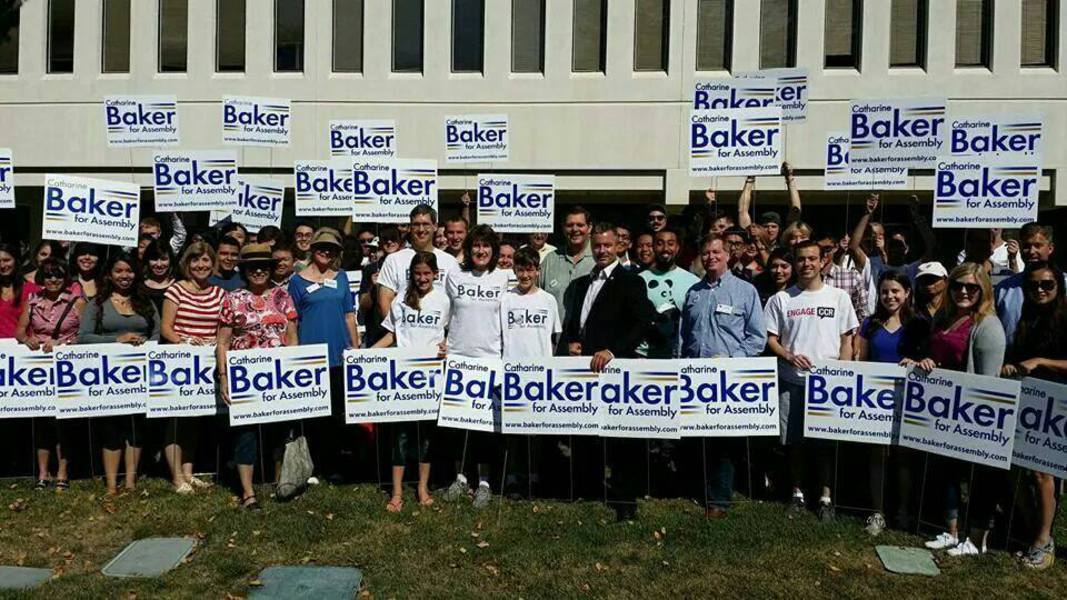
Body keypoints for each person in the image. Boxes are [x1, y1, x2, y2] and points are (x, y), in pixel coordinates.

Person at [904, 263, 1006, 557]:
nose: (963, 291)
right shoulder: (944, 317)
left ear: (983, 290)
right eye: (958, 286)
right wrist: (925, 363)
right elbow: (936, 355)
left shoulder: (987, 326)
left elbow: (988, 381)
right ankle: (951, 532)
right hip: (943, 409)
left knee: (977, 476)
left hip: (973, 413)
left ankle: (976, 538)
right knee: (945, 471)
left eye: (971, 287)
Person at [564, 223, 654, 520]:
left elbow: (642, 322)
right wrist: (574, 342)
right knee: (587, 433)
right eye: (597, 246)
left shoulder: (631, 281)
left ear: (618, 246)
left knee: (621, 440)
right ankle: (589, 488)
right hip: (586, 369)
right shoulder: (582, 283)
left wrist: (613, 351)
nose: (601, 251)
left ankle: (625, 501)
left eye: (607, 245)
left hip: (617, 370)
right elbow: (578, 323)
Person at [764, 240, 859, 521]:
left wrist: (841, 373)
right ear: (795, 263)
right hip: (792, 381)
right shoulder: (781, 299)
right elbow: (771, 338)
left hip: (826, 386)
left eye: (812, 259)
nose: (806, 264)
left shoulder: (838, 297)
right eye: (801, 259)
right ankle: (797, 493)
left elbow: (847, 340)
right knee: (794, 443)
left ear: (822, 261)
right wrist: (788, 355)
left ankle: (825, 497)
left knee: (825, 445)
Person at [679, 234, 766, 518]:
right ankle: (699, 487)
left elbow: (757, 338)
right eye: (706, 253)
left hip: (728, 379)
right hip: (695, 377)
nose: (711, 257)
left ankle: (719, 499)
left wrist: (731, 360)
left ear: (728, 255)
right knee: (697, 437)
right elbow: (683, 336)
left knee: (723, 442)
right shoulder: (693, 292)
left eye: (716, 252)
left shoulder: (745, 291)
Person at [217, 244, 300, 510]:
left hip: (278, 376)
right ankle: (248, 492)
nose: (259, 271)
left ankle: (280, 482)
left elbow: (292, 336)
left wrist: (294, 369)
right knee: (246, 433)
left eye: (264, 266)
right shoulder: (232, 299)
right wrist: (223, 376)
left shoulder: (283, 296)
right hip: (245, 377)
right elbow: (223, 341)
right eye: (253, 267)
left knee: (278, 429)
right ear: (244, 270)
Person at [1000, 260, 1067, 569]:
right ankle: (1030, 531)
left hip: (1056, 405)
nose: (1040, 290)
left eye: (1047, 284)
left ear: (1058, 287)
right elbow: (1019, 358)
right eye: (1034, 285)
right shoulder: (1027, 318)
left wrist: (1041, 361)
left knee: (1043, 473)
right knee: (1014, 469)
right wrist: (1011, 365)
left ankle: (1043, 540)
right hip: (1027, 400)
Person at [77, 252, 160, 495]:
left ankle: (131, 481)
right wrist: (116, 340)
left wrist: (147, 344)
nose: (125, 275)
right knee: (111, 429)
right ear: (110, 275)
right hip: (109, 377)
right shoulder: (97, 304)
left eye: (129, 271)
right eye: (119, 271)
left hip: (140, 374)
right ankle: (112, 484)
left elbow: (156, 333)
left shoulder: (145, 302)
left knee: (136, 428)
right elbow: (83, 337)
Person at [372, 251, 449, 511]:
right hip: (404, 378)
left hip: (431, 378)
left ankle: (422, 487)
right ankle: (396, 492)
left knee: (427, 436)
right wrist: (364, 355)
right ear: (411, 275)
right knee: (401, 436)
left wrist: (446, 346)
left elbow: (450, 333)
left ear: (435, 274)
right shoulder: (400, 300)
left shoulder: (444, 300)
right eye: (418, 274)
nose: (422, 278)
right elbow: (391, 336)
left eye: (427, 273)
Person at [855, 271, 930, 535]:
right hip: (875, 400)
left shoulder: (919, 323)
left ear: (907, 293)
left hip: (907, 400)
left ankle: (903, 511)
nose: (890, 296)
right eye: (885, 291)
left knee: (904, 458)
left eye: (896, 291)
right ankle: (877, 512)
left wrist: (918, 362)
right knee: (877, 456)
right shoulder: (870, 324)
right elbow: (861, 360)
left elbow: (928, 357)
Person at [442, 225, 510, 508]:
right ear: (469, 249)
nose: (481, 251)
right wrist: (441, 341)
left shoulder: (504, 278)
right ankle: (460, 477)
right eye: (476, 246)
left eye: (486, 246)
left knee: (486, 428)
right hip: (458, 359)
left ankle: (484, 482)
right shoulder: (454, 275)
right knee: (457, 426)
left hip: (490, 360)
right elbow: (445, 313)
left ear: (494, 250)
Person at [289, 230, 361, 479]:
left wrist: (355, 349)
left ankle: (333, 465)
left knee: (336, 414)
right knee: (313, 415)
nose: (326, 252)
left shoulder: (341, 277)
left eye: (331, 249)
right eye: (321, 247)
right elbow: (292, 320)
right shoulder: (296, 281)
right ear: (312, 249)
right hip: (310, 357)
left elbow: (349, 315)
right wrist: (295, 352)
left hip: (339, 355)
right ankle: (313, 466)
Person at [160, 242, 225, 494]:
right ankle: (176, 478)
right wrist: (184, 341)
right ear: (187, 263)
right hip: (180, 362)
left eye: (206, 260)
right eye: (195, 260)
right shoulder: (176, 290)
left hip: (206, 364)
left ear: (213, 263)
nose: (201, 265)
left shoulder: (219, 293)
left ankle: (188, 472)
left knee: (195, 419)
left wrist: (214, 342)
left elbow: (221, 328)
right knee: (176, 420)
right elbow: (166, 327)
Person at [15, 258, 84, 492]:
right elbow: (19, 330)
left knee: (64, 421)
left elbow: (85, 334)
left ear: (65, 278)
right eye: (48, 275)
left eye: (58, 275)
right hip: (40, 369)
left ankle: (63, 471)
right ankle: (43, 473)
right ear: (41, 279)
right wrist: (27, 339)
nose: (53, 279)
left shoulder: (76, 301)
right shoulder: (32, 300)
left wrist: (63, 343)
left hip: (67, 367)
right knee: (42, 421)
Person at [378, 205, 461, 322]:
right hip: (404, 330)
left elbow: (457, 301)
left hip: (439, 331)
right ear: (410, 227)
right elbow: (385, 300)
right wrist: (397, 330)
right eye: (416, 225)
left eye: (426, 224)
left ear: (435, 226)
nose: (421, 229)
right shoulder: (394, 260)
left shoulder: (450, 261)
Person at [637, 228, 699, 358]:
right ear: (653, 247)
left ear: (677, 247)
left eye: (670, 244)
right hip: (643, 357)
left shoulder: (693, 282)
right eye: (660, 243)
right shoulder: (639, 280)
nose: (665, 248)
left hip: (679, 356)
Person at [994, 223, 1059, 343]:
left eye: (1037, 246)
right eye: (1027, 246)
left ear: (1050, 248)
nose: (1031, 251)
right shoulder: (1004, 289)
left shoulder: (1064, 284)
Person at [539, 206, 595, 338]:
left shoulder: (598, 260)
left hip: (589, 342)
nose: (575, 229)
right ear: (563, 228)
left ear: (589, 227)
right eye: (570, 225)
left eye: (580, 225)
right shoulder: (550, 260)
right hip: (553, 340)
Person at [360, 226, 403, 348]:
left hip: (403, 332)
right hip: (377, 333)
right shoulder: (370, 269)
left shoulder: (410, 265)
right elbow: (363, 306)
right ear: (380, 243)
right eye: (385, 239)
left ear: (400, 241)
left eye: (393, 238)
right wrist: (373, 288)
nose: (389, 242)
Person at [0, 242, 37, 339]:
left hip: (21, 346)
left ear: (16, 261)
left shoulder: (32, 290)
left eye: (6, 260)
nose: (2, 265)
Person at [957, 228, 1024, 275]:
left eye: (997, 220)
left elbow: (1018, 279)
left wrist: (1013, 260)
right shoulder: (964, 253)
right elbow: (960, 275)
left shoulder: (1012, 250)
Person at [140, 239, 177, 315]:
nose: (159, 264)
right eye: (154, 259)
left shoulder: (179, 284)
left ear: (170, 260)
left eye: (163, 259)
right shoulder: (140, 286)